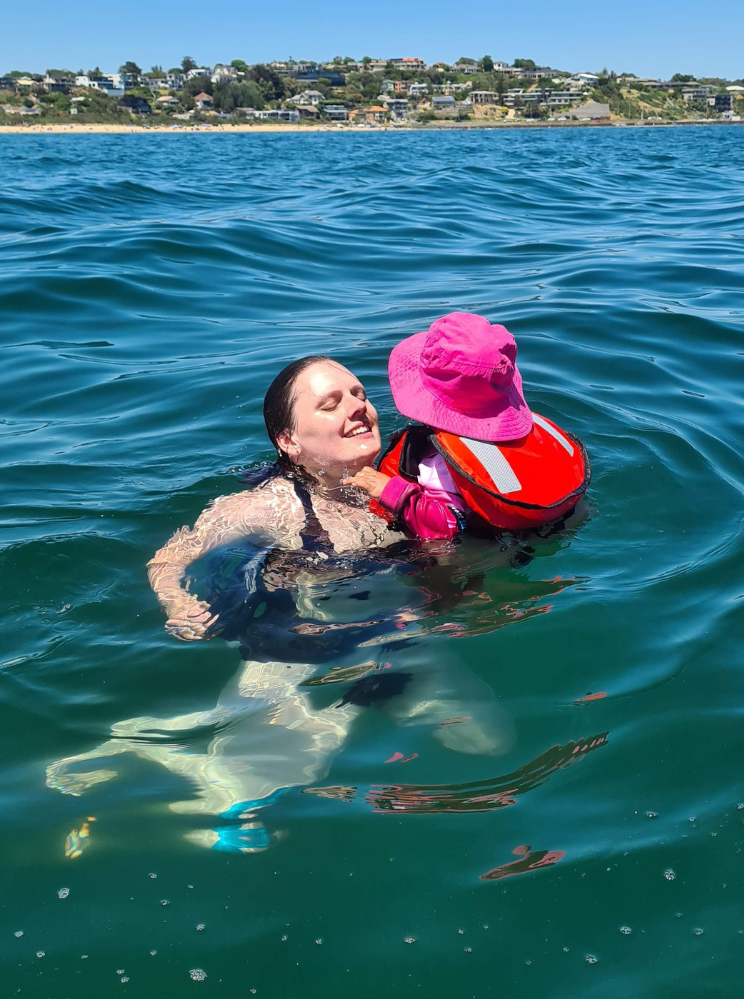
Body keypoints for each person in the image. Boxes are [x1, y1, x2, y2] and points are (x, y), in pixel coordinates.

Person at [46, 356, 513, 853]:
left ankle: (158, 741)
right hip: (298, 646)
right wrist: (175, 600)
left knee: (487, 740)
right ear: (289, 442)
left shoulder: (405, 478)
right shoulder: (270, 506)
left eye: (359, 395)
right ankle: (145, 767)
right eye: (330, 405)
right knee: (284, 763)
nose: (356, 410)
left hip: (393, 633)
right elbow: (171, 557)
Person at [344, 313, 589, 537]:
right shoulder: (536, 432)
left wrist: (395, 494)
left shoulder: (439, 463)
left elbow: (450, 524)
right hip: (560, 520)